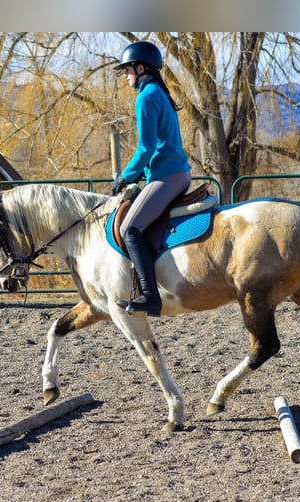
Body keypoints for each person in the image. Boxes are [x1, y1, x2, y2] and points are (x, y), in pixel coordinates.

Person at [111, 40, 192, 317]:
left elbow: (145, 148)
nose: (125, 75)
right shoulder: (158, 92)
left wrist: (125, 176)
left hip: (167, 175)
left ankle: (149, 295)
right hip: (175, 172)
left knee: (129, 229)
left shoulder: (145, 97)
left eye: (128, 69)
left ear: (141, 67)